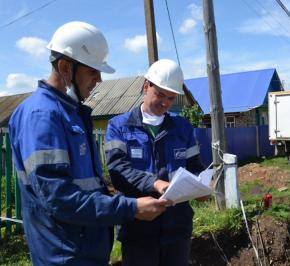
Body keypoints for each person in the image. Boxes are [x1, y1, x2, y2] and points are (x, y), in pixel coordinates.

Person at [8, 21, 169, 266]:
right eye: (92, 71)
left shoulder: (69, 113)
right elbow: (58, 197)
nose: (99, 79)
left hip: (82, 248)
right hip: (65, 254)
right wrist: (130, 208)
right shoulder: (41, 115)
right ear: (64, 67)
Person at [105, 59, 205, 266]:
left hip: (177, 228)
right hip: (138, 229)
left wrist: (200, 187)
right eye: (160, 95)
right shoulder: (119, 126)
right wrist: (155, 183)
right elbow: (118, 171)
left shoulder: (182, 127)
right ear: (146, 86)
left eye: (170, 98)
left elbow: (195, 166)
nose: (165, 103)